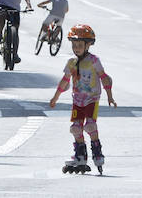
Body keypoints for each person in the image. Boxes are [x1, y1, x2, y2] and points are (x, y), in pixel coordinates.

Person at [48, 24, 116, 175]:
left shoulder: (94, 61)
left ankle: (97, 151)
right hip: (77, 101)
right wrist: (55, 97)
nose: (76, 48)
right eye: (74, 45)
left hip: (92, 100)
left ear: (88, 45)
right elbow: (64, 81)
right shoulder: (71, 63)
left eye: (79, 45)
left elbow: (104, 78)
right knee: (75, 128)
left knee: (90, 126)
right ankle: (80, 156)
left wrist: (109, 96)